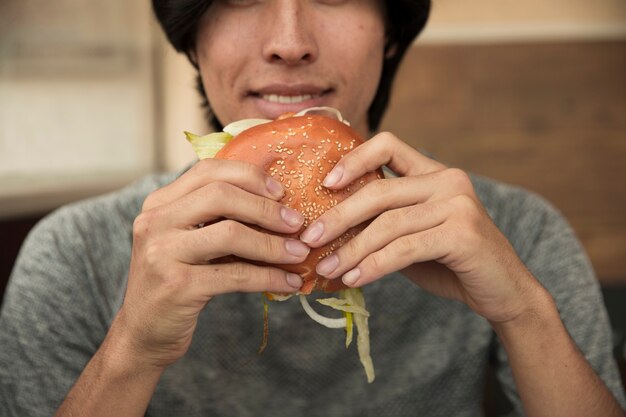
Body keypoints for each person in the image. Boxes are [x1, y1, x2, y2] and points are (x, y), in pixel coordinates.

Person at [1, 1, 625, 416]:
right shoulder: (74, 252)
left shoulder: (513, 232)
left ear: (390, 35)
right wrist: (133, 350)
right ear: (192, 38)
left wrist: (523, 311)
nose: (290, 43)